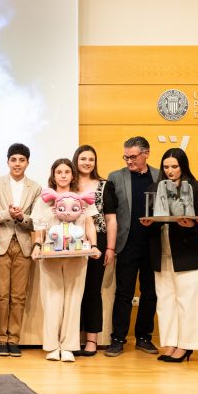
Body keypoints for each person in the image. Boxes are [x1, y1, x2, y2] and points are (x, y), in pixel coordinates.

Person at [140, 148, 198, 363]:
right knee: (165, 300)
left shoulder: (196, 187)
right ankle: (170, 342)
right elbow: (150, 216)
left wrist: (191, 224)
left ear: (183, 166)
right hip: (161, 251)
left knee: (186, 301)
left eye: (174, 166)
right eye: (166, 167)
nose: (170, 171)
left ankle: (186, 345)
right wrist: (148, 222)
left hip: (187, 253)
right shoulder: (155, 188)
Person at [32, 159, 100, 362]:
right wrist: (37, 246)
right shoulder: (44, 199)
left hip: (76, 256)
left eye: (67, 172)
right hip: (50, 256)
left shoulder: (81, 198)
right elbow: (39, 227)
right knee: (51, 300)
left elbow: (89, 224)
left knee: (73, 299)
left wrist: (94, 245)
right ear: (53, 175)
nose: (63, 175)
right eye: (59, 172)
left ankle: (69, 346)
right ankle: (52, 346)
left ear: (72, 175)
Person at [102, 136, 161, 357]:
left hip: (153, 244)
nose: (129, 161)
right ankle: (117, 339)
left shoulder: (160, 176)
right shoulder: (115, 177)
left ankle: (144, 337)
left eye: (133, 157)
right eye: (126, 157)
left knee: (150, 293)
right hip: (127, 243)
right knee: (123, 293)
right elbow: (111, 214)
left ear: (146, 154)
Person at [0, 143, 42, 357]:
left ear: (28, 162)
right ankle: (1, 339)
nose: (17, 164)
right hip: (1, 245)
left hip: (24, 245)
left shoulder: (35, 188)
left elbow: (36, 220)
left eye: (22, 160)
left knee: (19, 296)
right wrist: (8, 214)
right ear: (8, 161)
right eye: (14, 160)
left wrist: (21, 217)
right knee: (1, 295)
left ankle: (14, 339)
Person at [73, 144, 108, 356]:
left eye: (91, 159)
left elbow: (111, 218)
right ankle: (72, 339)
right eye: (83, 158)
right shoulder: (68, 182)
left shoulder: (104, 185)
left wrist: (110, 247)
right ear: (76, 160)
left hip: (98, 241)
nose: (87, 163)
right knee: (74, 290)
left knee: (93, 290)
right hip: (71, 240)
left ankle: (91, 340)